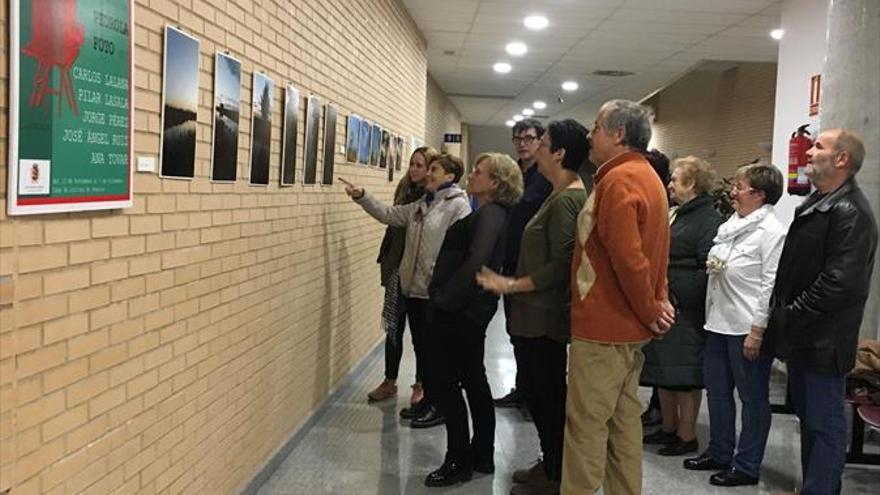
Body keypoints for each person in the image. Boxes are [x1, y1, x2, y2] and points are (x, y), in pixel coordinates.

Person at [562, 100, 674, 495]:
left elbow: (630, 259)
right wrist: (656, 305)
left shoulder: (618, 181)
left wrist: (651, 309)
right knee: (623, 424)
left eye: (596, 127)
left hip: (605, 325)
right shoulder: (647, 177)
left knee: (586, 427)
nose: (590, 135)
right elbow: (653, 253)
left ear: (618, 134)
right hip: (627, 327)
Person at [476, 119, 589, 495]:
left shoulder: (568, 199)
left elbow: (562, 264)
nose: (534, 147)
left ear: (558, 153)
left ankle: (557, 473)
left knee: (548, 395)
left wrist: (511, 284)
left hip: (544, 316)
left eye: (543, 143)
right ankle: (551, 465)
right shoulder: (557, 195)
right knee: (540, 394)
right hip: (532, 315)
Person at [764, 129, 877, 495]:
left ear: (842, 159)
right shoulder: (817, 203)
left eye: (819, 147)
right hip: (803, 336)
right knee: (811, 422)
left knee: (826, 426)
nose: (809, 153)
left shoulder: (851, 212)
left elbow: (840, 284)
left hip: (823, 341)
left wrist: (791, 315)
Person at [342, 153, 471, 428]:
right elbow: (389, 214)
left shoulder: (457, 206)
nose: (426, 174)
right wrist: (362, 195)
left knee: (434, 353)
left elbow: (458, 252)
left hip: (434, 292)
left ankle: (438, 405)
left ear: (450, 176)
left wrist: (444, 285)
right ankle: (427, 401)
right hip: (412, 288)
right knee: (423, 349)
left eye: (433, 169)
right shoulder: (420, 205)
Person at [682, 163, 786, 487]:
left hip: (746, 328)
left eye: (739, 187)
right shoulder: (733, 223)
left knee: (752, 398)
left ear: (759, 194)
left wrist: (758, 331)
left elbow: (769, 285)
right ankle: (720, 451)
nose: (733, 191)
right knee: (717, 392)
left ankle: (747, 464)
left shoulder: (772, 231)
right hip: (718, 322)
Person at [423, 153, 523, 487]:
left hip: (461, 313)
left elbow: (477, 262)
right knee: (473, 380)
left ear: (495, 182)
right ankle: (479, 454)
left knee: (446, 384)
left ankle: (458, 459)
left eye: (479, 172)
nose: (473, 175)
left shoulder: (491, 213)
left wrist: (444, 300)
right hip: (467, 311)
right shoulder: (488, 212)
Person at [641, 156, 723, 456]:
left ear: (692, 184)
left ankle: (686, 434)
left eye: (675, 179)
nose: (670, 184)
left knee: (684, 375)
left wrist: (679, 295)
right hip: (666, 302)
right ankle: (668, 427)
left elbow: (708, 267)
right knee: (664, 370)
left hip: (684, 309)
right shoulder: (677, 213)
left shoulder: (708, 220)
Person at [494, 118, 553, 409]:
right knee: (515, 330)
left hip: (535, 264)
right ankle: (523, 388)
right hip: (510, 261)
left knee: (535, 334)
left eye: (529, 137)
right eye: (518, 138)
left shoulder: (546, 176)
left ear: (540, 140)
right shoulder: (512, 174)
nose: (523, 143)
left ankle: (537, 395)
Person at [366, 147, 433, 403]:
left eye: (420, 165)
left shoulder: (430, 197)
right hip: (396, 269)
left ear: (430, 169)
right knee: (393, 329)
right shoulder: (404, 189)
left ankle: (420, 383)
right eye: (412, 164)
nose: (414, 169)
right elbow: (392, 224)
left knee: (420, 333)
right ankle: (390, 380)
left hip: (417, 274)